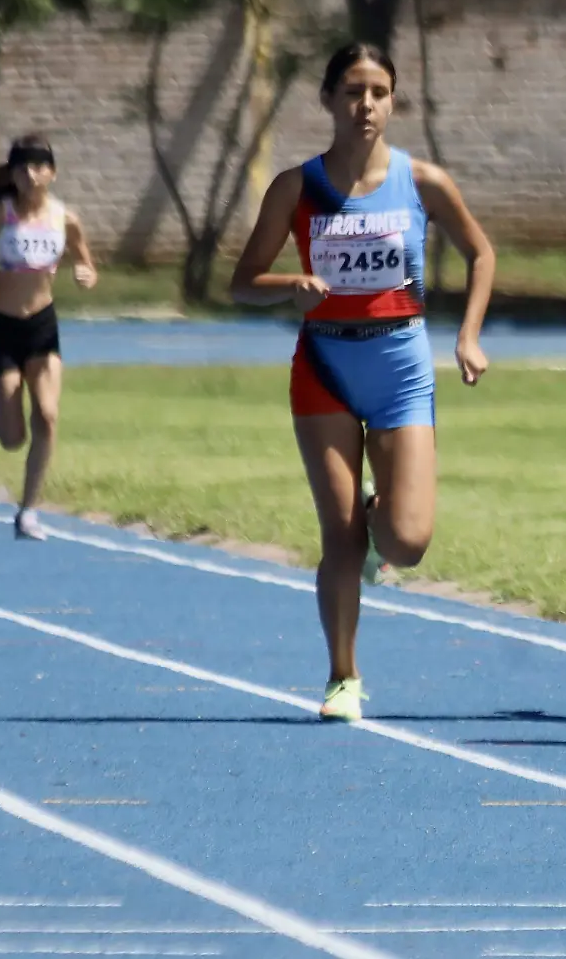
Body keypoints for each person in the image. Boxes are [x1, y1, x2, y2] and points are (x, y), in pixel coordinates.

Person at [229, 43, 496, 723]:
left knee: (406, 542)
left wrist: (468, 335)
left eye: (379, 91)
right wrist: (289, 284)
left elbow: (481, 253)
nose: (366, 104)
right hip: (324, 365)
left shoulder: (423, 182)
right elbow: (241, 283)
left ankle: (382, 517)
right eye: (352, 91)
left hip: (401, 365)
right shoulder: (297, 186)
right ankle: (343, 676)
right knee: (340, 535)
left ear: (394, 101)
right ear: (328, 101)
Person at [0, 135, 98, 541]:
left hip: (42, 326)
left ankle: (28, 511)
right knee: (12, 438)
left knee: (48, 416)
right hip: (2, 327)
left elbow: (86, 260)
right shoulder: (0, 215)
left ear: (52, 172)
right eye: (21, 167)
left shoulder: (65, 218)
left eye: (39, 166)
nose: (30, 174)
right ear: (13, 174)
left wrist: (85, 274)